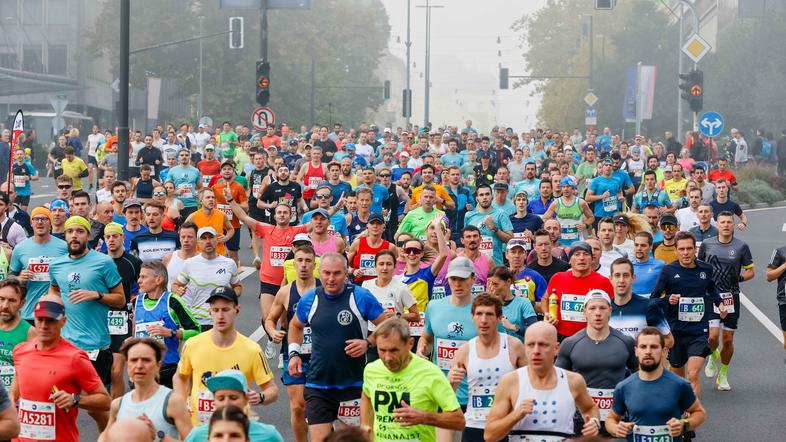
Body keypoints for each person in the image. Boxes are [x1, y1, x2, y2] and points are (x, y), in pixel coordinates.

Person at [287, 253, 386, 442]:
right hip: (318, 386)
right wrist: (294, 353)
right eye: (326, 273)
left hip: (353, 385)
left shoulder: (360, 296)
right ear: (319, 272)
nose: (331, 278)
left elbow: (387, 326)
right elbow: (295, 325)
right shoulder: (310, 299)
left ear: (346, 274)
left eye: (337, 273)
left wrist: (368, 343)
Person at [48, 215, 125, 430]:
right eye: (70, 232)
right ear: (65, 236)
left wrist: (97, 295)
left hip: (95, 346)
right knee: (57, 404)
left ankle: (111, 435)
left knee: (98, 409)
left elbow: (120, 299)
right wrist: (53, 305)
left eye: (80, 231)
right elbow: (54, 288)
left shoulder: (103, 262)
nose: (75, 236)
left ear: (88, 235)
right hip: (64, 345)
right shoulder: (57, 265)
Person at [174, 286, 278, 427]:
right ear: (209, 311)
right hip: (200, 429)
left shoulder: (252, 349)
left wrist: (260, 397)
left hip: (236, 429)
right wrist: (181, 400)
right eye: (216, 310)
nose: (220, 316)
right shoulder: (193, 344)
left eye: (225, 310)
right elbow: (180, 377)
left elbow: (272, 390)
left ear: (237, 310)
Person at [12, 295, 111, 440]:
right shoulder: (20, 351)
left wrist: (75, 400)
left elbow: (105, 401)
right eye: (40, 319)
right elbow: (16, 389)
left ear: (63, 321)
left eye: (51, 320)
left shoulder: (75, 357)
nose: (44, 326)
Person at [484, 322, 601, 441]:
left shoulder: (573, 381)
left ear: (556, 349)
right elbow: (490, 435)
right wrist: (516, 415)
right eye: (530, 345)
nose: (536, 351)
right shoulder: (510, 381)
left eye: (543, 345)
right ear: (524, 348)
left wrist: (594, 422)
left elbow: (590, 408)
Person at [361, 318, 465, 442]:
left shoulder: (430, 373)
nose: (388, 358)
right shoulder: (372, 370)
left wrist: (424, 417)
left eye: (394, 350)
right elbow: (366, 394)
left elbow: (459, 421)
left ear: (410, 344)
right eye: (382, 350)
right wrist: (365, 424)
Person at [651, 231, 726, 398]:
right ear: (676, 251)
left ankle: (692, 417)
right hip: (675, 332)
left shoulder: (706, 269)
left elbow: (711, 288)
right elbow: (653, 299)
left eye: (689, 249)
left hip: (698, 332)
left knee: (692, 375)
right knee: (679, 381)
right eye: (682, 249)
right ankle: (680, 410)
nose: (686, 253)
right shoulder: (668, 271)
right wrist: (668, 299)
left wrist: (719, 303)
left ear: (695, 250)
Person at [416, 257, 479, 441]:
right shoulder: (434, 306)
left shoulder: (483, 309)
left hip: (473, 393)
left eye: (462, 278)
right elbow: (426, 336)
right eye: (453, 279)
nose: (457, 284)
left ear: (473, 279)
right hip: (442, 389)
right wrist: (422, 349)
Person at [447, 294, 526, 441]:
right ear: (473, 317)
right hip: (474, 425)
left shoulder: (514, 346)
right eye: (479, 314)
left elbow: (530, 383)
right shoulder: (464, 351)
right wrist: (450, 381)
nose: (484, 320)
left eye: (489, 314)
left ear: (499, 318)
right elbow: (448, 394)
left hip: (506, 426)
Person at [556, 289, 637, 432]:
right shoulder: (570, 343)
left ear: (610, 311)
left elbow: (638, 376)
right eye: (592, 308)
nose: (598, 313)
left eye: (602, 308)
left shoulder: (626, 342)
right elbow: (558, 381)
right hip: (582, 420)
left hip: (617, 419)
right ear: (584, 311)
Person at [605, 327, 706, 442]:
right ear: (636, 351)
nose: (648, 351)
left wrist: (684, 424)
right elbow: (611, 419)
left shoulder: (679, 385)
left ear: (664, 351)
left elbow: (699, 413)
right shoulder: (624, 387)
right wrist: (616, 428)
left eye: (654, 347)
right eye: (643, 347)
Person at [264, 245, 318, 442]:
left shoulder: (324, 289)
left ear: (314, 264)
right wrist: (272, 331)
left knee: (320, 407)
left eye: (308, 261)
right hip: (294, 355)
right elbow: (270, 318)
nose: (303, 265)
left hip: (321, 356)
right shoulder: (285, 292)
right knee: (297, 407)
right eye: (300, 261)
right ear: (293, 264)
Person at [698, 211, 754, 391]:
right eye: (722, 222)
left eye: (729, 222)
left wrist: (740, 279)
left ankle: (723, 373)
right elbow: (698, 267)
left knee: (728, 340)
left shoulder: (741, 246)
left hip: (731, 297)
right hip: (711, 296)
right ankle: (713, 355)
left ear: (733, 224)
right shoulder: (707, 244)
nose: (726, 225)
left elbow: (751, 271)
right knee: (713, 337)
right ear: (717, 224)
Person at [103, 338, 192, 441]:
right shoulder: (118, 404)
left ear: (158, 365)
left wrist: (159, 436)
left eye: (146, 360)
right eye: (134, 360)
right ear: (127, 364)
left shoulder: (173, 402)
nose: (139, 366)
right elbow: (105, 438)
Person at [134, 261, 201, 388]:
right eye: (139, 276)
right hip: (142, 368)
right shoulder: (137, 301)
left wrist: (171, 333)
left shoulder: (173, 301)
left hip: (167, 370)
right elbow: (135, 332)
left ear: (158, 279)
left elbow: (196, 330)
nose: (139, 281)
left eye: (143, 277)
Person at [103, 222, 144, 399]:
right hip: (100, 320)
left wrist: (137, 313)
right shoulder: (98, 261)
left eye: (115, 236)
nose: (111, 240)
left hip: (123, 319)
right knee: (103, 371)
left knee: (116, 371)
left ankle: (116, 410)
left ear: (122, 237)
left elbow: (143, 289)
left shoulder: (133, 262)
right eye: (108, 237)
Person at [183, 371, 283, 442]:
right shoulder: (197, 435)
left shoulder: (269, 435)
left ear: (246, 400)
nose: (226, 403)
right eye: (221, 398)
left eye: (233, 398)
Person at [172, 227, 241, 330]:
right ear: (198, 242)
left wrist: (230, 296)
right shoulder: (190, 263)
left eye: (210, 237)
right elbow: (175, 285)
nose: (207, 241)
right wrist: (177, 290)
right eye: (203, 238)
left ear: (217, 240)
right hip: (197, 320)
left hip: (220, 319)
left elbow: (238, 286)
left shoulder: (229, 263)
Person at [542, 241, 615, 340]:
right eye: (577, 254)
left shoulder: (603, 282)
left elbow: (614, 309)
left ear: (591, 259)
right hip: (561, 337)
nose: (581, 258)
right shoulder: (557, 278)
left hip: (592, 338)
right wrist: (547, 314)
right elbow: (545, 299)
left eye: (586, 254)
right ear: (569, 260)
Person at [9, 207, 68, 321]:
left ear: (50, 223)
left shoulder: (64, 247)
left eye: (44, 219)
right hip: (29, 312)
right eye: (36, 219)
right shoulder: (20, 248)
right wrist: (19, 278)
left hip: (55, 311)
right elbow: (9, 278)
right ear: (31, 223)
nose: (40, 222)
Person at [361, 249, 419, 360]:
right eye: (381, 264)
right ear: (375, 266)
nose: (384, 268)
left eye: (389, 264)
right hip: (372, 335)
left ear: (394, 267)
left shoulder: (402, 288)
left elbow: (416, 316)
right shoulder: (366, 285)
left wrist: (397, 316)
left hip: (394, 336)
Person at [609, 258, 673, 347]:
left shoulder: (648, 306)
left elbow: (669, 340)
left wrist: (645, 349)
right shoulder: (604, 308)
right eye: (617, 275)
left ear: (633, 278)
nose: (621, 280)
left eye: (626, 275)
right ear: (610, 278)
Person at [464, 184, 514, 265]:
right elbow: (465, 241)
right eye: (481, 195)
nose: (484, 197)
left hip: (495, 266)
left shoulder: (501, 214)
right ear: (477, 198)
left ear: (492, 197)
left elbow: (510, 240)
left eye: (487, 194)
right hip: (474, 266)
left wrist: (494, 228)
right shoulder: (469, 216)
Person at [0, 278, 35, 391]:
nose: (5, 305)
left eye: (12, 300)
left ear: (22, 303)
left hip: (13, 401)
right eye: (1, 299)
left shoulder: (31, 333)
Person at [211, 160, 248, 265]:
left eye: (229, 169)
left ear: (234, 171)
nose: (227, 171)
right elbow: (210, 202)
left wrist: (232, 203)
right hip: (217, 224)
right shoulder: (215, 187)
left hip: (234, 225)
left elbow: (245, 207)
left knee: (233, 254)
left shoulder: (238, 187)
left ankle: (234, 278)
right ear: (221, 172)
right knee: (217, 252)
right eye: (224, 169)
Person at [485, 266, 538, 339]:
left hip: (518, 348)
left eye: (495, 284)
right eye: (489, 285)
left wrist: (512, 327)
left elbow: (535, 331)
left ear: (508, 282)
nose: (492, 288)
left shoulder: (523, 303)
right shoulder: (487, 305)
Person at [542, 176, 594, 246]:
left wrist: (585, 225)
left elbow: (591, 217)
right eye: (563, 187)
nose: (566, 189)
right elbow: (545, 218)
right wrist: (552, 226)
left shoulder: (581, 203)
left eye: (568, 186)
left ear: (572, 188)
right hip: (560, 239)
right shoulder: (556, 203)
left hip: (577, 239)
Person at [185, 188, 234, 258]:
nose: (211, 199)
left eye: (213, 197)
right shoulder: (193, 217)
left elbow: (231, 229)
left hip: (219, 254)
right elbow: (183, 232)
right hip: (200, 255)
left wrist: (226, 238)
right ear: (200, 201)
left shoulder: (222, 215)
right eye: (208, 197)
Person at [166, 148, 203, 220]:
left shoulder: (195, 171)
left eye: (186, 155)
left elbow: (200, 187)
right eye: (182, 155)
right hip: (176, 203)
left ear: (189, 157)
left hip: (191, 204)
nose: (184, 157)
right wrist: (176, 191)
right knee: (176, 228)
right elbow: (166, 188)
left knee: (190, 227)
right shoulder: (172, 170)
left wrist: (198, 193)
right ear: (178, 157)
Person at [163, 222, 198, 290]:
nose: (186, 240)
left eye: (190, 237)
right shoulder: (169, 258)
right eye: (183, 237)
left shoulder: (202, 259)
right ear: (179, 238)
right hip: (172, 299)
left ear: (197, 238)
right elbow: (161, 282)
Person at [630, 232, 665, 298]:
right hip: (631, 305)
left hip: (651, 305)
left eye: (643, 245)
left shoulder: (660, 265)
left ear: (651, 246)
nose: (639, 248)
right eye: (636, 245)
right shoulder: (628, 265)